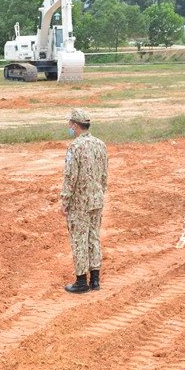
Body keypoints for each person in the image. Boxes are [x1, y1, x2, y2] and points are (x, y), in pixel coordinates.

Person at [60, 108, 109, 294]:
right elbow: (105, 174)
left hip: (80, 202)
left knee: (79, 240)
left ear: (75, 125)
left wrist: (65, 201)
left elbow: (70, 177)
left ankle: (81, 281)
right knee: (94, 237)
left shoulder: (75, 147)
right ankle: (95, 279)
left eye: (70, 124)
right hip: (96, 200)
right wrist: (99, 193)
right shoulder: (100, 144)